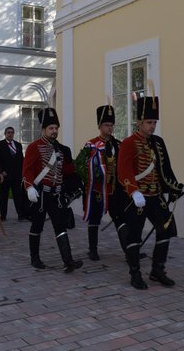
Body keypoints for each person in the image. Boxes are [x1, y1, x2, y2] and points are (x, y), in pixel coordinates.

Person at [118, 96, 184, 290]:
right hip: (137, 198)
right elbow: (124, 170)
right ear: (139, 122)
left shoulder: (158, 142)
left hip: (155, 196)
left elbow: (165, 169)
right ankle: (135, 273)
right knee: (134, 236)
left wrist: (173, 189)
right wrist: (133, 191)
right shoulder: (129, 143)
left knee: (167, 229)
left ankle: (157, 270)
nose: (152, 126)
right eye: (148, 122)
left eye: (154, 122)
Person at [22, 107, 83, 272]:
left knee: (60, 226)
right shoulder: (34, 147)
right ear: (43, 129)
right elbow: (27, 170)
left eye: (56, 128)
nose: (54, 131)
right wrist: (29, 188)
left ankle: (68, 261)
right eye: (51, 128)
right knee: (37, 226)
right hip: (41, 194)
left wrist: (83, 166)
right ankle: (35, 259)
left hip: (55, 194)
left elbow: (66, 170)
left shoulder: (60, 149)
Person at [76, 104, 128, 261]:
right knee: (95, 218)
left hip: (114, 190)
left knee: (121, 219)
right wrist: (92, 175)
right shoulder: (91, 144)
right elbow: (80, 164)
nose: (110, 128)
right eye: (106, 125)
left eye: (111, 125)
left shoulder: (118, 145)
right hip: (98, 190)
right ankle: (93, 250)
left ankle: (129, 251)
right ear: (100, 126)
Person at [0, 127, 25, 221]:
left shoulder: (18, 145)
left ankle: (20, 215)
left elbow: (21, 160)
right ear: (5, 134)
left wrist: (22, 172)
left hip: (16, 176)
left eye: (12, 132)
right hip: (4, 176)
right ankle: (3, 216)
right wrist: (0, 172)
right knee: (3, 196)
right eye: (8, 132)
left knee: (18, 196)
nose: (10, 134)